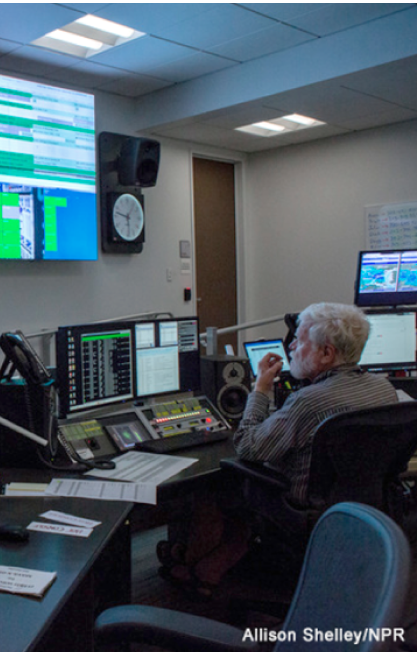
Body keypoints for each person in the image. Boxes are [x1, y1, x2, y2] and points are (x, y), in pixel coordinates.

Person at [234, 302, 399, 507]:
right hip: (365, 511)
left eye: (298, 340)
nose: (291, 347)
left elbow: (247, 447)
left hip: (301, 513)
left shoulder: (308, 402)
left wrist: (260, 390)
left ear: (327, 353)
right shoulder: (384, 389)